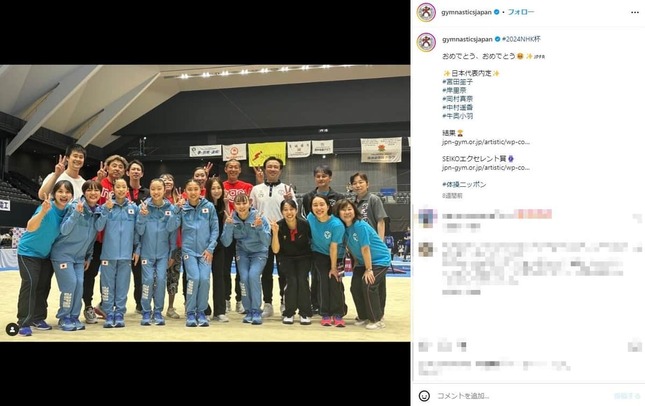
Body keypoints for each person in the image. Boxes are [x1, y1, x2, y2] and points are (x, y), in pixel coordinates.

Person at [15, 180, 73, 336]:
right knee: (31, 283)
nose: (64, 195)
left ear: (71, 196)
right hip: (28, 253)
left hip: (46, 255)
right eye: (60, 191)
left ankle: (38, 318)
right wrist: (42, 212)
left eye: (67, 192)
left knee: (43, 286)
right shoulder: (46, 207)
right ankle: (23, 322)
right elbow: (30, 227)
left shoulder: (68, 212)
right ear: (54, 194)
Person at [50, 180, 107, 331]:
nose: (93, 193)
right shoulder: (74, 206)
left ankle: (74, 316)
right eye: (89, 190)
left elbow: (93, 236)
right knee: (70, 284)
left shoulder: (97, 212)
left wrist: (89, 256)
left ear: (100, 193)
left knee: (79, 285)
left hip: (80, 258)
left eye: (96, 190)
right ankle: (64, 317)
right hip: (63, 254)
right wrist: (76, 213)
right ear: (84, 192)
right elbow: (64, 230)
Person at [83, 154, 129, 323]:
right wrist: (98, 180)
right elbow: (89, 200)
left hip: (114, 242)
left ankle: (105, 305)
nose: (117, 169)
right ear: (107, 167)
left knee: (112, 277)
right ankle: (88, 306)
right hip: (96, 239)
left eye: (120, 167)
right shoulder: (98, 182)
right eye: (114, 165)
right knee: (91, 273)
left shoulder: (123, 190)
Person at [249, 156, 294, 318]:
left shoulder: (287, 189)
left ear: (280, 170)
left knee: (284, 271)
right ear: (264, 169)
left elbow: (293, 212)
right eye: (270, 166)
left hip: (282, 235)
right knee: (266, 271)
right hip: (262, 235)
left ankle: (284, 301)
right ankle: (267, 303)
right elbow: (251, 211)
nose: (273, 169)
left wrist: (289, 200)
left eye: (276, 166)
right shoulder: (256, 189)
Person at [335, 198, 390, 330]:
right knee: (355, 287)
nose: (347, 212)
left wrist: (369, 269)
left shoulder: (360, 225)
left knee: (368, 284)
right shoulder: (343, 228)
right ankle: (364, 315)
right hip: (362, 262)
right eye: (343, 210)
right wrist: (356, 262)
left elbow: (365, 248)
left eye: (350, 209)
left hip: (379, 260)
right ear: (338, 213)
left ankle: (376, 319)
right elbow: (350, 246)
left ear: (354, 211)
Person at [299, 164, 344, 315]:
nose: (321, 178)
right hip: (316, 247)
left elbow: (342, 220)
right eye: (318, 176)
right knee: (317, 277)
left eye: (324, 176)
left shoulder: (339, 198)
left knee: (336, 279)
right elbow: (305, 221)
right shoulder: (307, 197)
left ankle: (338, 308)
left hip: (336, 246)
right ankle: (316, 304)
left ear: (330, 178)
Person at [221, 193, 271, 325]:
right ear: (234, 205)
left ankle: (256, 310)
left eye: (244, 203)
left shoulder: (259, 217)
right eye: (238, 203)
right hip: (242, 253)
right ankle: (248, 310)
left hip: (259, 252)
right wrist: (228, 226)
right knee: (243, 278)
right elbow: (226, 242)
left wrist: (259, 227)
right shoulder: (232, 219)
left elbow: (267, 242)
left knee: (253, 276)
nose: (241, 206)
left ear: (250, 203)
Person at [136, 178, 180, 326]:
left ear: (164, 190)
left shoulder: (171, 208)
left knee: (161, 280)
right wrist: (142, 217)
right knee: (147, 280)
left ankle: (158, 312)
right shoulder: (143, 207)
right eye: (153, 189)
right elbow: (139, 231)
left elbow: (172, 232)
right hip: (146, 253)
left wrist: (172, 254)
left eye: (159, 189)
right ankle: (146, 311)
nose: (156, 192)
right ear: (149, 190)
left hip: (163, 254)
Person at [99, 179, 139, 328]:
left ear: (127, 190)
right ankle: (109, 312)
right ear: (113, 190)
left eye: (124, 187)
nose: (121, 189)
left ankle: (120, 313)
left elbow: (137, 231)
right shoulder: (106, 206)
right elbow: (98, 227)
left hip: (126, 255)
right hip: (108, 254)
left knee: (122, 286)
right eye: (118, 187)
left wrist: (137, 249)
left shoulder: (133, 208)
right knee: (107, 285)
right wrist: (105, 210)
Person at [179, 179, 219, 327]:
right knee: (194, 278)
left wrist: (210, 248)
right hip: (188, 251)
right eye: (190, 189)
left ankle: (201, 311)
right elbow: (172, 227)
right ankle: (190, 312)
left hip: (205, 251)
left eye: (195, 189)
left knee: (205, 279)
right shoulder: (182, 208)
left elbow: (215, 229)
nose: (193, 192)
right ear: (185, 191)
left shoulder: (209, 206)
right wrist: (176, 210)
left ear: (200, 190)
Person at [350, 172, 388, 316]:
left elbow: (380, 221)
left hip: (373, 247)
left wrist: (380, 243)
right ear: (351, 186)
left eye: (361, 182)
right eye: (355, 183)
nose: (358, 185)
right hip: (359, 248)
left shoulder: (373, 199)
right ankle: (365, 314)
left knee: (376, 284)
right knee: (360, 283)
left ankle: (379, 314)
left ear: (367, 184)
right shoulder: (352, 204)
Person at [270, 199, 313, 325]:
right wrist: (275, 233)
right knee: (292, 281)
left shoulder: (304, 224)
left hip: (304, 257)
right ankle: (289, 312)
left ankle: (305, 313)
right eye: (285, 210)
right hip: (286, 258)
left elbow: (311, 242)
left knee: (302, 280)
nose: (289, 212)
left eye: (291, 209)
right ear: (281, 212)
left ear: (296, 210)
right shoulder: (278, 226)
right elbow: (275, 250)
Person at [306, 195, 347, 327]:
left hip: (337, 255)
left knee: (335, 282)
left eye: (322, 204)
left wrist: (333, 268)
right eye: (315, 205)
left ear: (328, 206)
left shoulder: (336, 224)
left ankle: (338, 313)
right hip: (319, 254)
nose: (319, 208)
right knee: (323, 281)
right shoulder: (310, 218)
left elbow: (334, 247)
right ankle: (325, 313)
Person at [222, 159, 254, 314]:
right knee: (225, 268)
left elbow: (252, 207)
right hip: (227, 231)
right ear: (226, 169)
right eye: (230, 167)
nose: (233, 169)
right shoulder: (221, 186)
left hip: (243, 233)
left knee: (242, 269)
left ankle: (240, 299)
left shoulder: (248, 187)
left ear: (240, 170)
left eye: (236, 167)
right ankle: (226, 299)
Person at [125, 159, 149, 314]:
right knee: (118, 274)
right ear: (127, 172)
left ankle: (140, 304)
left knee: (139, 274)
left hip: (141, 238)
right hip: (123, 238)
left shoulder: (147, 193)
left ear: (142, 173)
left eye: (138, 169)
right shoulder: (120, 189)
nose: (135, 172)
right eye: (132, 169)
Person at [204, 177, 229, 322]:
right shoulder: (204, 204)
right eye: (213, 188)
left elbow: (227, 222)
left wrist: (227, 205)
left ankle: (220, 311)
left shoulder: (223, 204)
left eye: (219, 188)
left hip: (219, 246)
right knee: (204, 278)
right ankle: (204, 309)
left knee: (219, 277)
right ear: (208, 190)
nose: (216, 191)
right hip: (205, 246)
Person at [160, 173, 182, 319]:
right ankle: (156, 307)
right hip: (159, 244)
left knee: (173, 277)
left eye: (170, 179)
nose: (167, 181)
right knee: (157, 277)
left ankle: (170, 307)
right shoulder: (156, 200)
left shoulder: (179, 199)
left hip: (177, 243)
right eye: (164, 179)